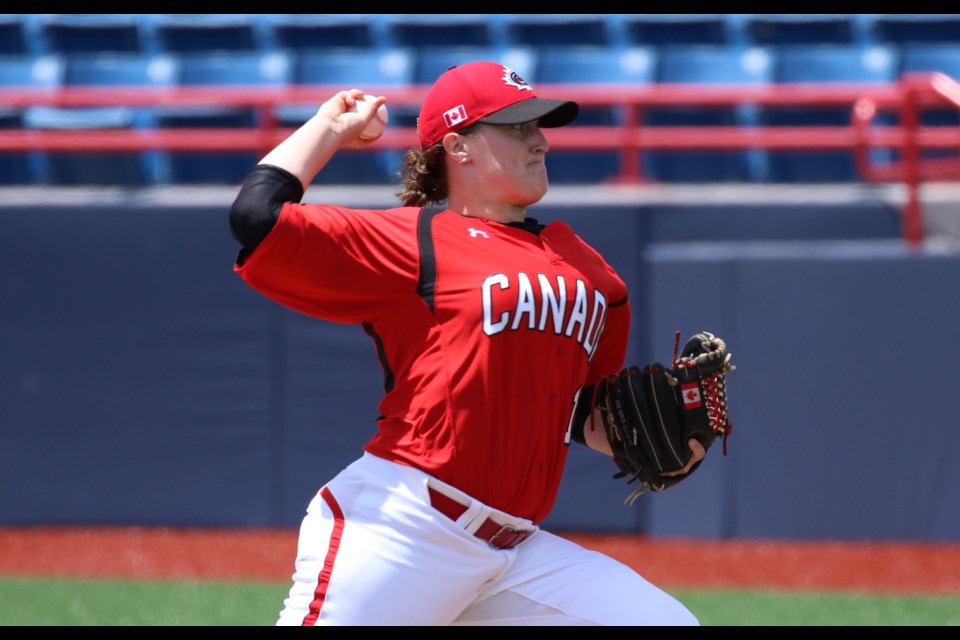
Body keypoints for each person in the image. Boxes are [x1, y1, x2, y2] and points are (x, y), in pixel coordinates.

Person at [228, 60, 706, 626]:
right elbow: (256, 216)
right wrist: (329, 127)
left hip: (513, 553)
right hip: (403, 528)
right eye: (518, 127)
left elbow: (576, 412)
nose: (540, 142)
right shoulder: (417, 237)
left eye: (539, 126)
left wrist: (674, 443)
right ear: (458, 148)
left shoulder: (592, 275)